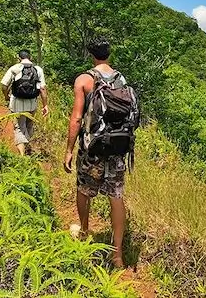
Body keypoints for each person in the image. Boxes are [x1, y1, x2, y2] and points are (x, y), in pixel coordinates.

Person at [64, 37, 138, 269]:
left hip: (92, 149)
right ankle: (117, 255)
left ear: (91, 55)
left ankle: (85, 232)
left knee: (84, 190)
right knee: (116, 196)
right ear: (109, 54)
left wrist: (68, 149)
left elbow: (77, 118)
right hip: (117, 148)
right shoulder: (121, 79)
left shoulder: (84, 79)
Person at [1, 50, 48, 156]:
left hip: (17, 103)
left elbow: (4, 85)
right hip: (32, 103)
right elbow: (42, 89)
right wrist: (45, 105)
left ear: (19, 58)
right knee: (29, 125)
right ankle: (27, 148)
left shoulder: (15, 68)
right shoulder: (38, 69)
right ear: (30, 57)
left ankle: (22, 155)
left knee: (19, 127)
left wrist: (6, 96)